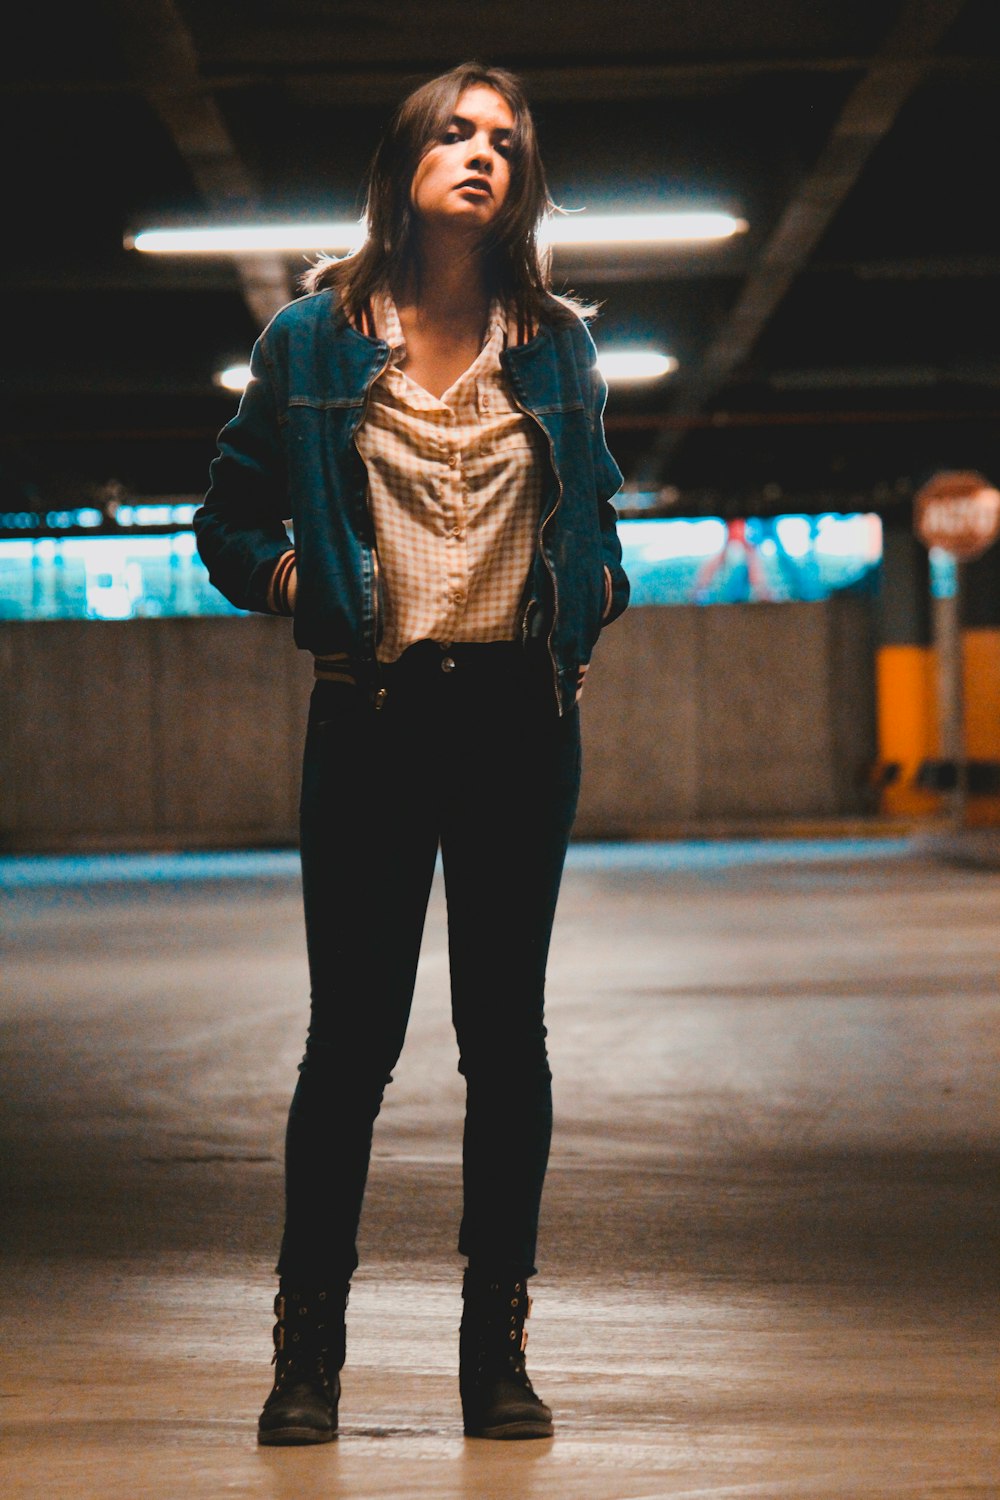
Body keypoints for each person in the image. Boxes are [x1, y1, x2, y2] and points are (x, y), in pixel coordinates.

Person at [194, 60, 629, 1445]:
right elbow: (225, 523)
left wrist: (598, 589)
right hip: (372, 720)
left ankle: (492, 1358)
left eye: (505, 139)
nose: (481, 153)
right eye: (454, 131)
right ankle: (305, 1357)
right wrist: (288, 586)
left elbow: (602, 515)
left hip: (520, 720)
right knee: (350, 1045)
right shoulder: (312, 344)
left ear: (525, 181)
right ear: (407, 163)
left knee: (508, 1046)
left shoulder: (556, 344)